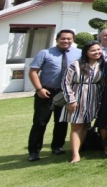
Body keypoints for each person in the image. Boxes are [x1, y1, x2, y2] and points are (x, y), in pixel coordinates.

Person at [27, 29, 80, 162]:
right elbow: (33, 72)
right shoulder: (45, 53)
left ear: (73, 40)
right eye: (63, 38)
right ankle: (34, 151)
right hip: (47, 91)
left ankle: (57, 146)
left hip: (66, 92)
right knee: (40, 122)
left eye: (69, 39)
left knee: (61, 121)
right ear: (57, 39)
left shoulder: (79, 53)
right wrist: (39, 89)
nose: (66, 41)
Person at [60, 40, 104, 164]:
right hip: (78, 97)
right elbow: (65, 83)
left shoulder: (101, 64)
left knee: (85, 124)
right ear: (86, 52)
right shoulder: (76, 65)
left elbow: (103, 83)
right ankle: (75, 154)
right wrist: (71, 100)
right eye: (93, 50)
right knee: (76, 125)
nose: (97, 52)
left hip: (93, 97)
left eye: (98, 49)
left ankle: (79, 149)